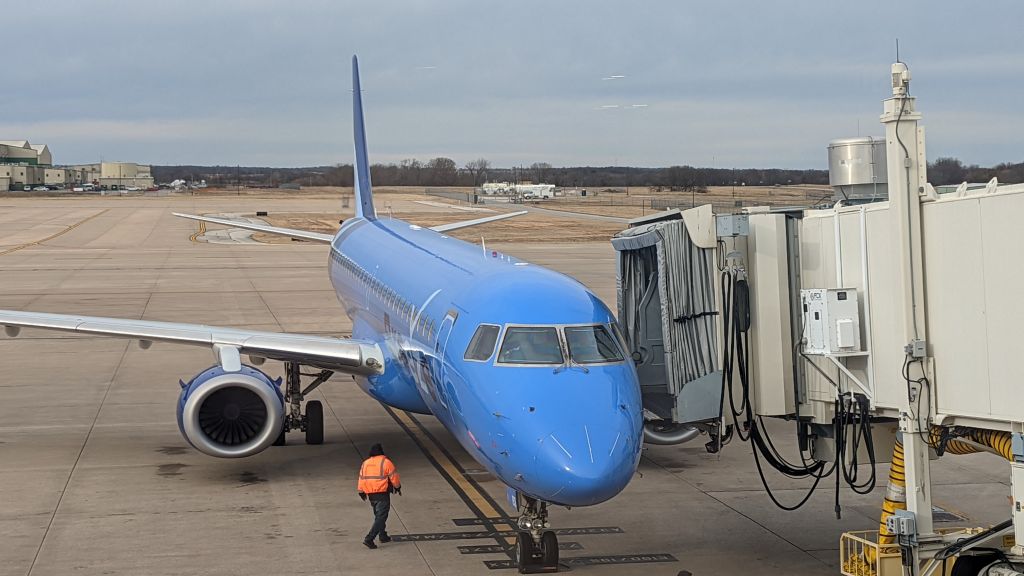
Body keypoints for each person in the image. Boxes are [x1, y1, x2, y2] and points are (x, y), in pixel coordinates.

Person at [357, 442, 401, 549]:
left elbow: (362, 478)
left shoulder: (365, 463)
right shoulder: (386, 462)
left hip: (371, 494)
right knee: (381, 517)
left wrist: (361, 491)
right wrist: (398, 487)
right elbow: (394, 477)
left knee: (378, 516)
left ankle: (383, 535)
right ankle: (369, 538)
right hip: (382, 493)